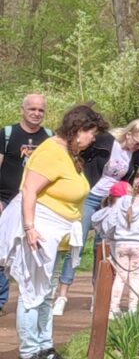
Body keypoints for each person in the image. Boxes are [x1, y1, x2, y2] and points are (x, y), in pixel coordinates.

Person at [0, 104, 107, 359]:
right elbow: (29, 190)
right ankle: (29, 351)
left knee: (45, 293)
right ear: (78, 129)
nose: (93, 139)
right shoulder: (51, 150)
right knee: (31, 293)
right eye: (91, 133)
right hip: (39, 231)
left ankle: (44, 346)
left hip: (56, 236)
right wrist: (29, 228)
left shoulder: (68, 153)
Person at [50, 120, 139, 316]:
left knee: (103, 250)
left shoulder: (137, 154)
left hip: (110, 202)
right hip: (90, 196)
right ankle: (62, 295)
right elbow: (80, 154)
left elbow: (129, 177)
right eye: (137, 142)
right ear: (128, 134)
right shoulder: (104, 141)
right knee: (76, 244)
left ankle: (99, 297)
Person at [0, 94, 52, 315]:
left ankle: (31, 301)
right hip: (5, 199)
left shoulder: (50, 138)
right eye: (32, 109)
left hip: (36, 204)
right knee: (1, 250)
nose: (36, 113)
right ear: (22, 109)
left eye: (40, 110)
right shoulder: (7, 134)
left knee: (29, 252)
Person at [104, 175, 139, 317]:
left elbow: (112, 220)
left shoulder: (122, 201)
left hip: (121, 244)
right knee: (135, 277)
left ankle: (113, 309)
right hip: (138, 245)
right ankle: (132, 310)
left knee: (120, 277)